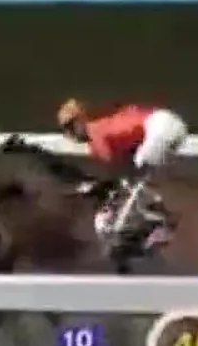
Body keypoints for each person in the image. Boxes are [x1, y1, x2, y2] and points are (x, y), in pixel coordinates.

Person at [57, 98, 187, 242]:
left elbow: (113, 171)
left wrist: (95, 188)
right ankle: (163, 220)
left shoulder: (94, 133)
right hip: (170, 125)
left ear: (79, 122)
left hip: (160, 128)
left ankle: (165, 224)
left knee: (137, 181)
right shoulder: (105, 127)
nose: (70, 134)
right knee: (139, 182)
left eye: (70, 128)